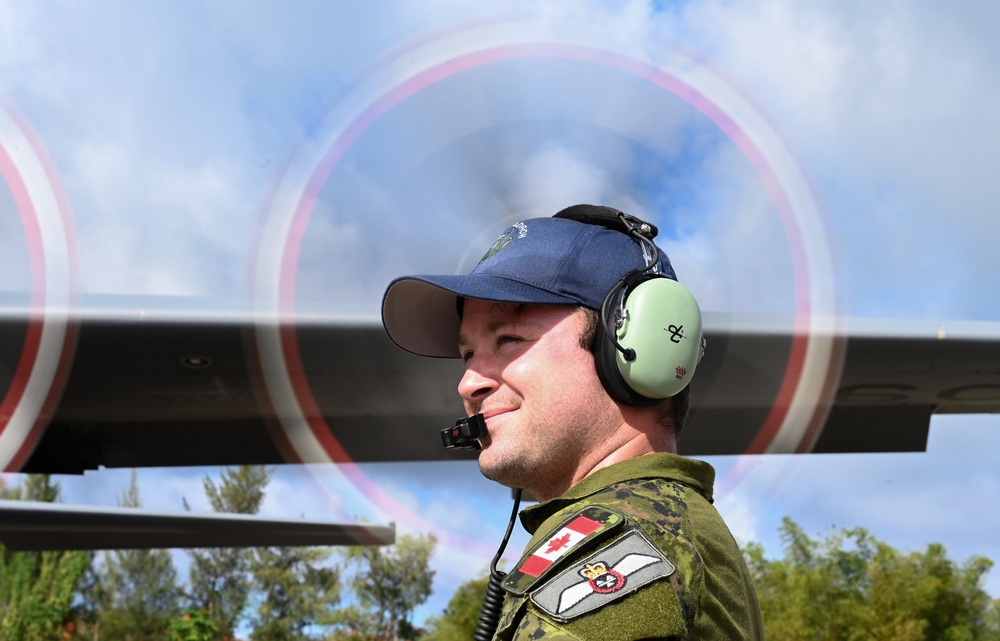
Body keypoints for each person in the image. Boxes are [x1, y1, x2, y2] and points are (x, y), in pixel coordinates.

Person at [381, 204, 764, 640]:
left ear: (636, 347)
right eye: (468, 354)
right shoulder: (657, 527)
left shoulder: (629, 542)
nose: (467, 384)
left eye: (508, 339)